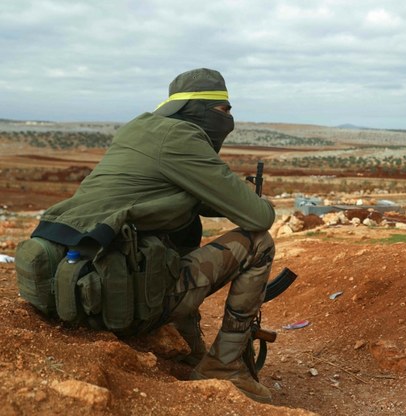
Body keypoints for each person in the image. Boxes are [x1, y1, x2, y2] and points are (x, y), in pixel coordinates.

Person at [20, 68, 276, 403]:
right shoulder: (183, 138)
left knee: (180, 229)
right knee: (258, 243)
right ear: (199, 109)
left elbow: (173, 199)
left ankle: (191, 347)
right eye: (224, 110)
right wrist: (258, 200)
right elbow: (258, 217)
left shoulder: (138, 129)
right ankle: (225, 365)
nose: (229, 119)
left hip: (71, 291)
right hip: (118, 303)